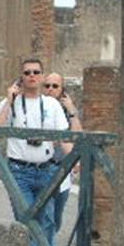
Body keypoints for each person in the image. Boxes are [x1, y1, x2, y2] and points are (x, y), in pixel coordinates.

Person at [0, 59, 70, 246]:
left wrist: (77, 160)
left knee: (46, 222)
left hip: (46, 169)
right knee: (28, 222)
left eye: (36, 72)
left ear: (43, 76)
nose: (32, 76)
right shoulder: (10, 103)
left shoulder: (52, 106)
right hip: (19, 171)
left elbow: (63, 138)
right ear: (21, 77)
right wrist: (10, 101)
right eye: (27, 73)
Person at [43, 72, 83, 234]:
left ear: (62, 90)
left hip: (63, 170)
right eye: (47, 86)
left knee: (56, 217)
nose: (50, 89)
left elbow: (78, 137)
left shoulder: (68, 112)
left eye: (55, 86)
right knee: (45, 217)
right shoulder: (39, 107)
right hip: (42, 168)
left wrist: (72, 110)